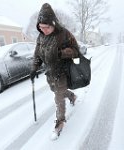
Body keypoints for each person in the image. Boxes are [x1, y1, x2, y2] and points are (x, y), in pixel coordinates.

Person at [30, 3, 79, 135]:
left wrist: (61, 53)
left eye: (46, 27)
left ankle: (60, 121)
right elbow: (37, 54)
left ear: (53, 24)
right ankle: (72, 96)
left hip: (62, 71)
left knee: (58, 97)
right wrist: (34, 68)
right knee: (56, 90)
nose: (43, 30)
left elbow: (76, 50)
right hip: (49, 72)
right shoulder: (41, 37)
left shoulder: (64, 34)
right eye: (41, 27)